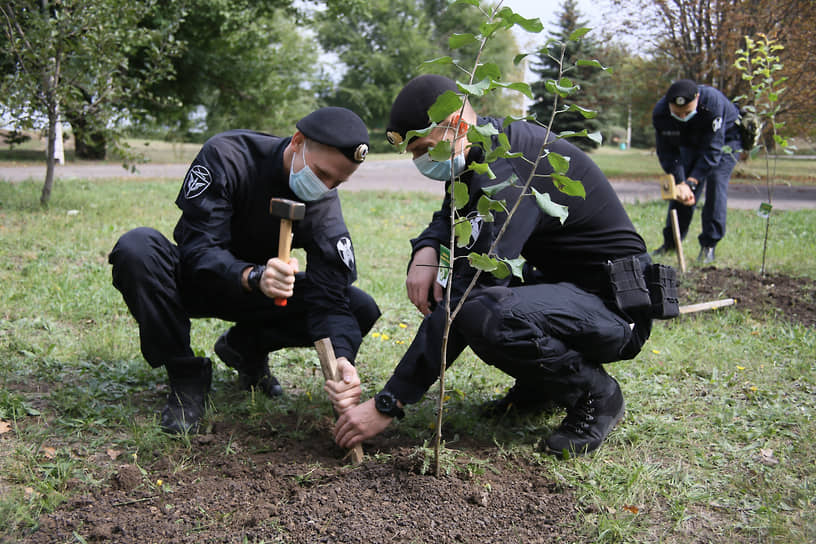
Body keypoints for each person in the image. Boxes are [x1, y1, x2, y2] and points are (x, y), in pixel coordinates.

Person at [329, 74, 662, 457]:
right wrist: (428, 247)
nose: (419, 161)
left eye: (423, 148)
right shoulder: (486, 148)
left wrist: (390, 402)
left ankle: (597, 395)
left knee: (482, 310)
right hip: (569, 290)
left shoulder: (510, 173)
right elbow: (454, 208)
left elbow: (468, 294)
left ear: (456, 125)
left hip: (617, 308)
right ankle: (540, 388)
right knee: (485, 305)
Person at [109, 107, 380, 434]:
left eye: (338, 181)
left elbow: (332, 297)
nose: (326, 187)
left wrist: (343, 359)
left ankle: (244, 349)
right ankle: (185, 375)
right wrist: (253, 275)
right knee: (136, 248)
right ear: (297, 142)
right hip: (199, 281)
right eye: (322, 174)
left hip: (260, 297)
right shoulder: (227, 156)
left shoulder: (323, 205)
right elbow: (197, 250)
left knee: (357, 307)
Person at [651, 79, 742, 263]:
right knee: (682, 193)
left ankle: (709, 245)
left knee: (716, 181)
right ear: (669, 105)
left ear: (697, 98)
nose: (683, 117)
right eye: (678, 113)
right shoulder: (661, 114)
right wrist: (682, 182)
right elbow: (668, 153)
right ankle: (671, 242)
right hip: (691, 143)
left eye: (687, 112)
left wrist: (692, 181)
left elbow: (713, 151)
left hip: (725, 142)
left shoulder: (712, 103)